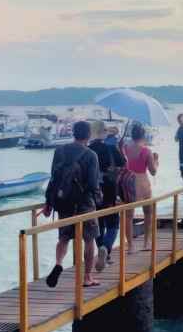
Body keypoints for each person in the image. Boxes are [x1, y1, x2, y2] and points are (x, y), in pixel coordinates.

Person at [43, 120, 101, 288]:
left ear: (73, 133)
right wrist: (99, 198)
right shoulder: (90, 155)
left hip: (64, 201)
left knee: (64, 237)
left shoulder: (59, 151)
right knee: (89, 239)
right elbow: (92, 183)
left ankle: (59, 263)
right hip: (84, 204)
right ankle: (87, 277)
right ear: (88, 135)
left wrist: (49, 202)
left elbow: (53, 178)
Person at [86, 120, 125, 271]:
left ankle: (102, 248)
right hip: (109, 190)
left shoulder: (87, 149)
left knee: (98, 224)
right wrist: (118, 148)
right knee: (114, 223)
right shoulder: (110, 148)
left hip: (93, 191)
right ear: (104, 132)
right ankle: (106, 249)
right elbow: (122, 163)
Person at [122, 123, 158, 253]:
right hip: (143, 183)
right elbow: (153, 171)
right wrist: (156, 161)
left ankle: (130, 246)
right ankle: (146, 243)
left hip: (128, 182)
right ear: (143, 136)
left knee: (128, 216)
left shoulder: (125, 148)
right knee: (148, 212)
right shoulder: (146, 151)